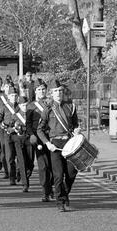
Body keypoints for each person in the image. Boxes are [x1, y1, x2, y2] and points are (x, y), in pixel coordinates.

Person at [37, 80, 81, 212]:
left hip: (69, 143)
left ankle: (65, 193)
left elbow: (75, 124)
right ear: (51, 93)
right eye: (55, 91)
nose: (58, 93)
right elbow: (40, 129)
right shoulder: (48, 109)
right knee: (58, 174)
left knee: (72, 172)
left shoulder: (70, 106)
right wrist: (47, 143)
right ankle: (60, 201)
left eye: (60, 90)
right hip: (55, 145)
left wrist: (77, 130)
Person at [28, 79, 54, 201]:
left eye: (43, 89)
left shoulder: (52, 103)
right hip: (39, 138)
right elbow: (28, 124)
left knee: (53, 165)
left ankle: (52, 186)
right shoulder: (31, 106)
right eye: (39, 89)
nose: (41, 91)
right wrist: (31, 135)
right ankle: (46, 191)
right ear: (35, 91)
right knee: (43, 166)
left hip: (52, 137)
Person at [0, 87, 20, 186]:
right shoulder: (4, 107)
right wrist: (0, 125)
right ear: (8, 97)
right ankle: (12, 177)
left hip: (19, 133)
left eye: (15, 95)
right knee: (10, 157)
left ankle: (19, 173)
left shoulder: (21, 106)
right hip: (7, 133)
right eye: (12, 95)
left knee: (19, 156)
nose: (14, 97)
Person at [10, 96, 32, 192]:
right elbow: (9, 129)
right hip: (19, 140)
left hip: (29, 139)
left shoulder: (32, 114)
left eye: (26, 105)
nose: (25, 107)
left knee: (30, 162)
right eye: (23, 105)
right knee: (22, 160)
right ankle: (25, 184)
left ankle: (22, 172)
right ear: (19, 105)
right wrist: (15, 129)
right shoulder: (15, 115)